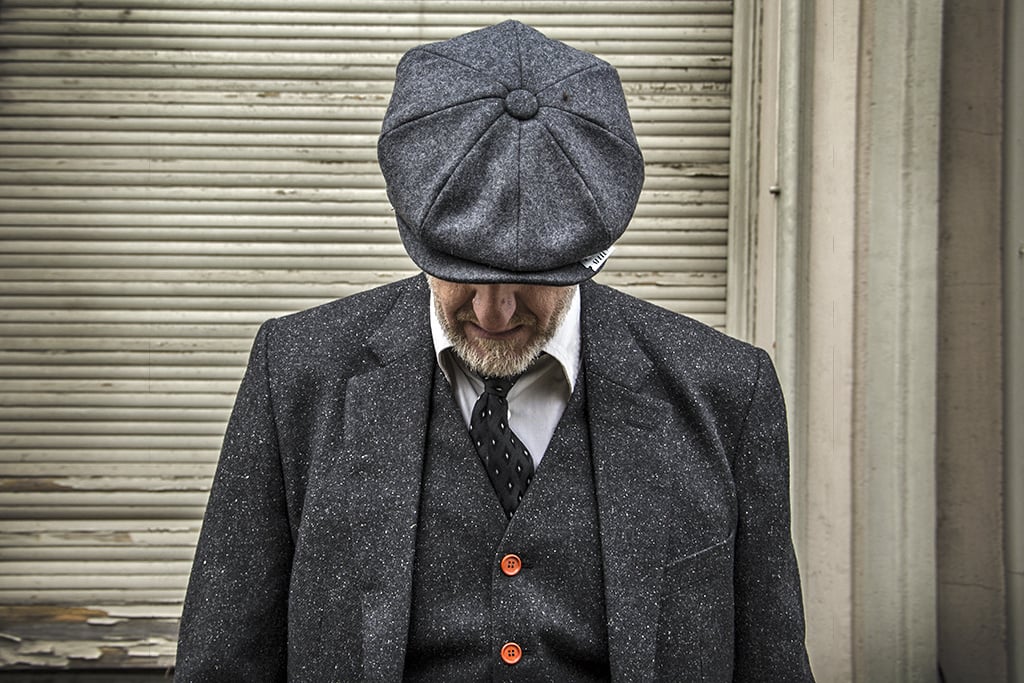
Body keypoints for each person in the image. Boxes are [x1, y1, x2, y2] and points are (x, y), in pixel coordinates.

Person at [174, 20, 814, 682]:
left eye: (529, 281)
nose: (492, 311)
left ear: (589, 253)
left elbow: (773, 662)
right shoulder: (298, 372)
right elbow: (221, 660)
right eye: (463, 274)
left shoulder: (728, 391)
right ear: (413, 231)